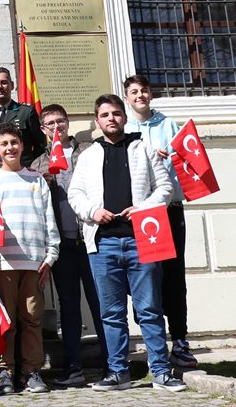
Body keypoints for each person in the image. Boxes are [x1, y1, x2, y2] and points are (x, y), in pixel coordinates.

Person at [68, 95, 185, 393]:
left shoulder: (142, 147)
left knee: (149, 308)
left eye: (116, 113)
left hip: (143, 240)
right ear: (97, 121)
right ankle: (118, 372)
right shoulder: (89, 154)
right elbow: (75, 194)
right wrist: (93, 212)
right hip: (103, 244)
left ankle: (160, 371)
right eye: (105, 114)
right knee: (111, 313)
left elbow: (166, 188)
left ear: (124, 117)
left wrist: (144, 208)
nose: (111, 119)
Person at [29, 104, 107, 387]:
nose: (56, 127)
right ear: (42, 129)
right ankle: (73, 366)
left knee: (101, 302)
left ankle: (113, 363)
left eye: (60, 121)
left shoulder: (87, 152)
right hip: (61, 245)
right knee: (69, 306)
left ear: (68, 123)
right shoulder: (38, 164)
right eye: (50, 123)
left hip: (90, 239)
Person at [124, 74, 195, 368]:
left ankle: (179, 340)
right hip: (140, 214)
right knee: (145, 279)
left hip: (169, 209)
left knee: (174, 277)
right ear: (127, 98)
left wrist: (172, 154)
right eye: (134, 92)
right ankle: (154, 342)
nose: (140, 96)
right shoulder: (125, 129)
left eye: (144, 91)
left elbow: (188, 159)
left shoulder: (169, 125)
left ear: (151, 94)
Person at [0, 125, 59, 396]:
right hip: (2, 262)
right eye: (3, 144)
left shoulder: (37, 180)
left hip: (34, 262)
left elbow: (49, 218)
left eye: (14, 142)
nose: (10, 148)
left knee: (32, 318)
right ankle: (5, 370)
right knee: (7, 320)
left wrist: (51, 255)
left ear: (23, 146)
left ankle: (31, 371)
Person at [0, 68, 47, 165]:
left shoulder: (26, 112)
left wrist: (34, 167)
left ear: (12, 85)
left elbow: (40, 145)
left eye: (4, 82)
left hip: (24, 169)